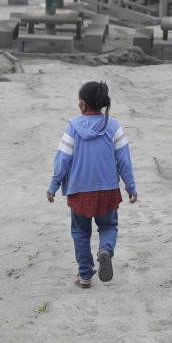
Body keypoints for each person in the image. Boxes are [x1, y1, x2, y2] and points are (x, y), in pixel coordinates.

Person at [47, 81, 138, 288]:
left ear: (82, 104)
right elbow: (124, 161)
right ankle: (105, 250)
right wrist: (130, 187)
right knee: (108, 225)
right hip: (107, 189)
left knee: (80, 231)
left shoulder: (73, 127)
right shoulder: (114, 126)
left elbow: (63, 159)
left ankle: (85, 275)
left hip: (79, 190)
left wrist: (53, 185)